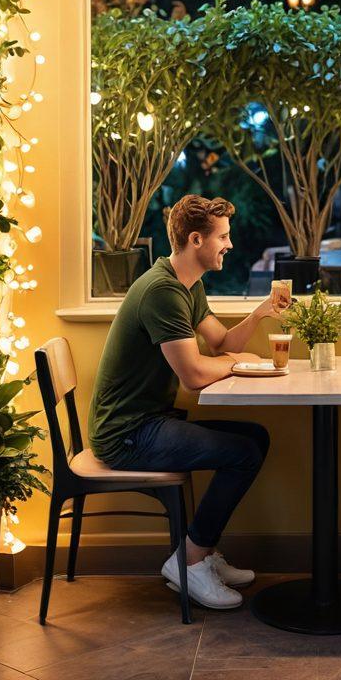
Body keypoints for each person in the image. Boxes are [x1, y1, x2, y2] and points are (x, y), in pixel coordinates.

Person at [88, 194, 290, 610]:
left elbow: (219, 342)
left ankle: (201, 552)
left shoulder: (187, 285)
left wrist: (259, 315)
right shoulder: (162, 291)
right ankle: (190, 561)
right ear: (196, 239)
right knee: (243, 453)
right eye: (223, 236)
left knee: (255, 438)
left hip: (149, 421)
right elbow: (195, 376)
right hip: (127, 434)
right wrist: (236, 362)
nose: (229, 244)